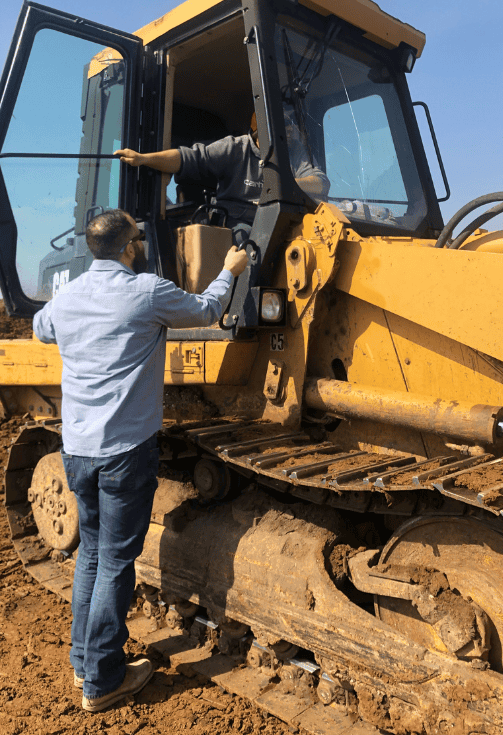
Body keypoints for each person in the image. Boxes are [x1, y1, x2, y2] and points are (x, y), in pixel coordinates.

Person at [33, 209, 248, 713]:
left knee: (90, 553)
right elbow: (208, 309)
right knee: (114, 562)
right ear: (131, 247)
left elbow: (42, 329)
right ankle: (103, 680)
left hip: (78, 450)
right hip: (125, 453)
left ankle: (85, 660)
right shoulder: (147, 291)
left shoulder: (66, 298)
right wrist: (231, 268)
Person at [115, 113, 330, 244]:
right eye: (284, 128)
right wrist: (143, 158)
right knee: (247, 240)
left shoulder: (293, 153)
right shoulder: (235, 147)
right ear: (258, 130)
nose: (290, 134)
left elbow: (321, 183)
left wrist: (281, 184)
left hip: (280, 220)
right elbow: (189, 158)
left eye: (291, 128)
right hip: (239, 221)